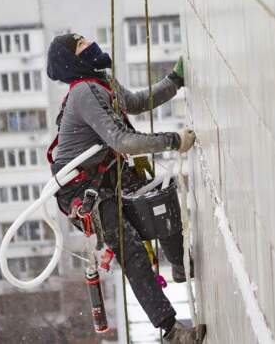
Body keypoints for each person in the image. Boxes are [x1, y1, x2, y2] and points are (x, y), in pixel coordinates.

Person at [46, 33, 206, 344]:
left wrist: (175, 80)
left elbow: (134, 103)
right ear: (73, 59)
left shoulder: (101, 80)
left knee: (160, 194)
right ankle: (171, 331)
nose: (89, 43)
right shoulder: (84, 93)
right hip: (83, 192)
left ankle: (178, 263)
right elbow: (121, 141)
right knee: (132, 252)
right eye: (80, 44)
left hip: (107, 174)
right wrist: (172, 141)